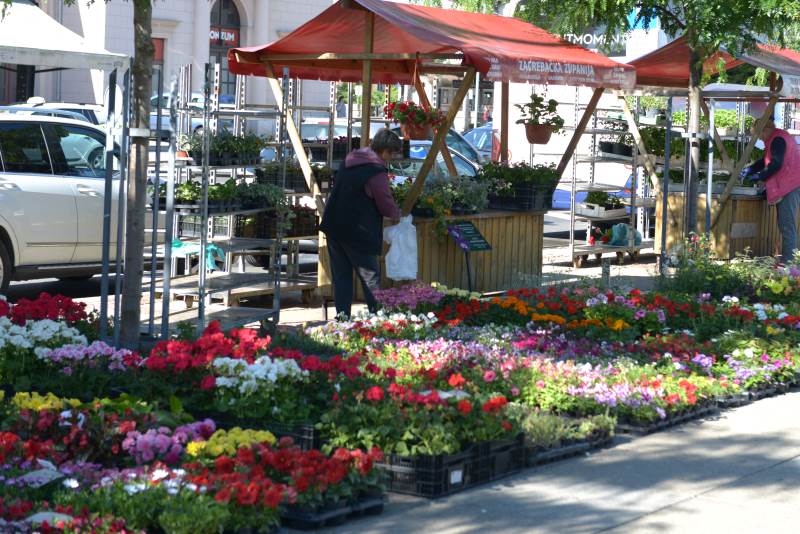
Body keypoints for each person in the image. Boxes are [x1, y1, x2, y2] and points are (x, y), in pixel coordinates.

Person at [320, 129, 402, 317]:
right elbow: (385, 204)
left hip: (334, 226)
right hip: (357, 231)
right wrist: (398, 214)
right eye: (392, 154)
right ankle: (379, 320)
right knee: (370, 278)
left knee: (341, 277)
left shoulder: (350, 160)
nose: (391, 159)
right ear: (385, 151)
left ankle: (342, 320)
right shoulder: (375, 171)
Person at [741, 120, 800, 263]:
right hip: (790, 184)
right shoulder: (777, 138)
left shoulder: (778, 140)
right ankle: (790, 263)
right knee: (786, 225)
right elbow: (766, 160)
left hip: (790, 186)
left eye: (758, 135)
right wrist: (751, 169)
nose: (759, 139)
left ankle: (790, 267)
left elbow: (776, 164)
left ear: (765, 130)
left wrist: (759, 176)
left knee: (787, 225)